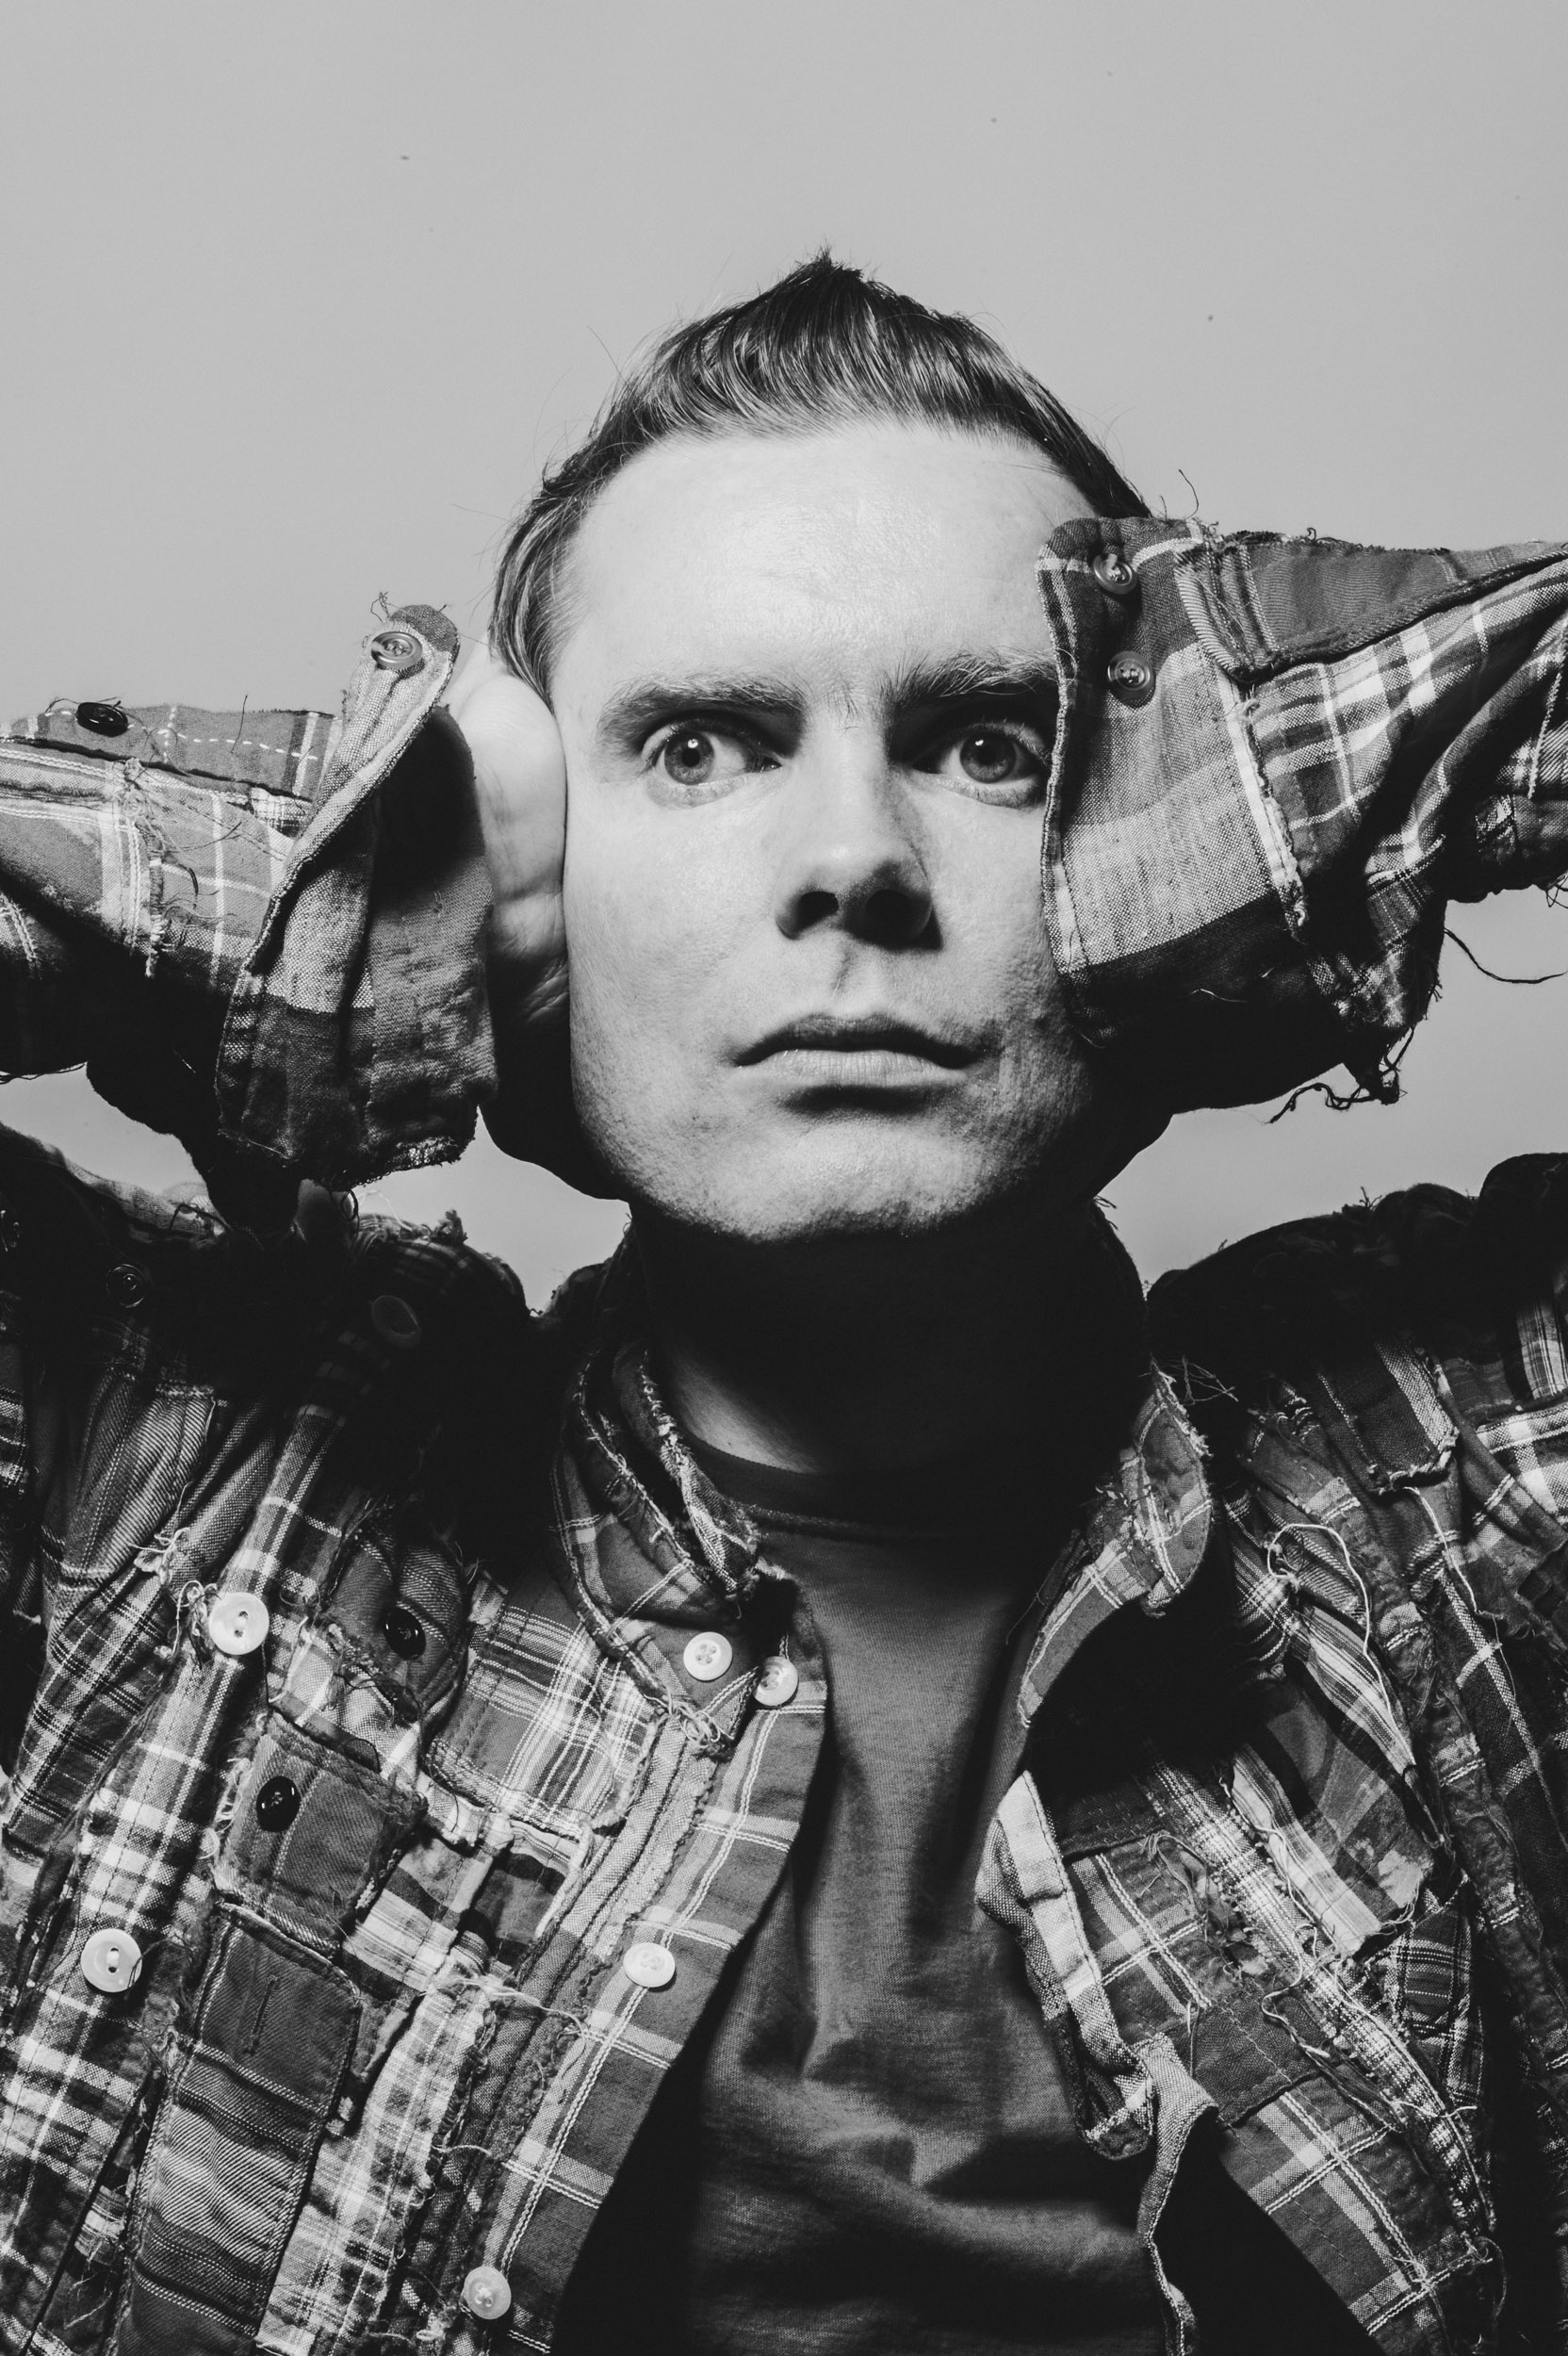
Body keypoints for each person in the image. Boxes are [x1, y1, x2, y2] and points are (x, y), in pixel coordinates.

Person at [0, 254, 1566, 2356]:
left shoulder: (1452, 1492)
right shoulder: (173, 1460)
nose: (854, 860)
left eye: (994, 743)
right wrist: (318, 887)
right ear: (535, 885)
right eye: (702, 747)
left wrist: (1307, 767)